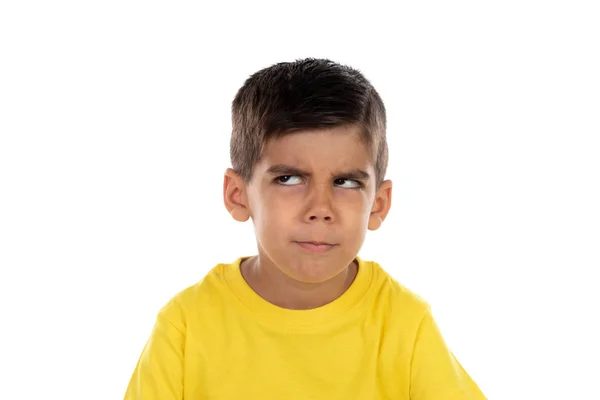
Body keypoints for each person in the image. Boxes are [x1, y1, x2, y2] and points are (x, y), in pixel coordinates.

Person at [123, 58, 486, 399]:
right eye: (289, 178)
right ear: (238, 195)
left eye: (345, 182)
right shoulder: (186, 326)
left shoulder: (405, 326)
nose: (320, 209)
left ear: (378, 204)